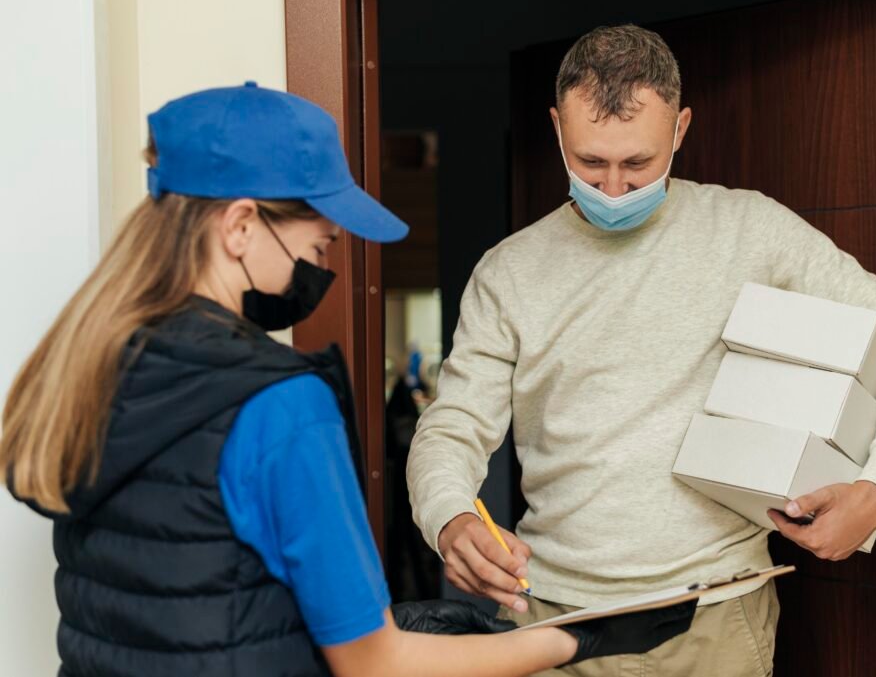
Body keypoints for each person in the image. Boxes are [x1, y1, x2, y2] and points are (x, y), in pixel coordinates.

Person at [0, 82, 696, 677]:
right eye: (318, 243)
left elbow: (198, 584)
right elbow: (373, 663)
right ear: (241, 225)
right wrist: (576, 637)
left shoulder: (89, 362)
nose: (319, 264)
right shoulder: (278, 401)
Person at [406, 24, 876, 676]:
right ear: (557, 127)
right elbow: (451, 427)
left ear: (680, 129)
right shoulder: (507, 272)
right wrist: (449, 517)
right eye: (590, 162)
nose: (613, 188)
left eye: (637, 164)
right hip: (548, 618)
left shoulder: (750, 230)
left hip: (716, 621)